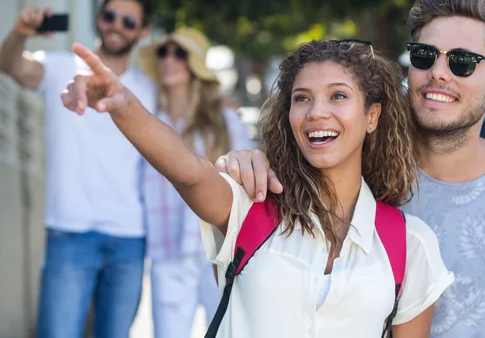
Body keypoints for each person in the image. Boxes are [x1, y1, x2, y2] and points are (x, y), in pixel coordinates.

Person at [213, 0, 485, 337]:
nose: (437, 72)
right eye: (424, 56)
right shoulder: (349, 162)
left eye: (463, 62)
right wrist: (248, 162)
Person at [60, 39, 455, 337]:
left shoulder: (410, 245)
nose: (317, 111)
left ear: (372, 115)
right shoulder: (252, 206)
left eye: (338, 95)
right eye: (302, 98)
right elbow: (188, 172)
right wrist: (122, 103)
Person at [0, 0, 156, 338]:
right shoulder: (58, 66)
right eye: (109, 16)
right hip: (70, 231)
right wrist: (21, 31)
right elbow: (9, 65)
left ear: (142, 31)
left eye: (128, 21)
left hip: (130, 237)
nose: (116, 25)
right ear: (98, 18)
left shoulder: (148, 90)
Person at [136, 27, 254, 337]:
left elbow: (245, 181)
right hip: (168, 249)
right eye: (163, 52)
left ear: (195, 66)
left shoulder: (225, 121)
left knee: (228, 332)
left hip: (220, 250)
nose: (169, 60)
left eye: (180, 53)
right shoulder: (149, 119)